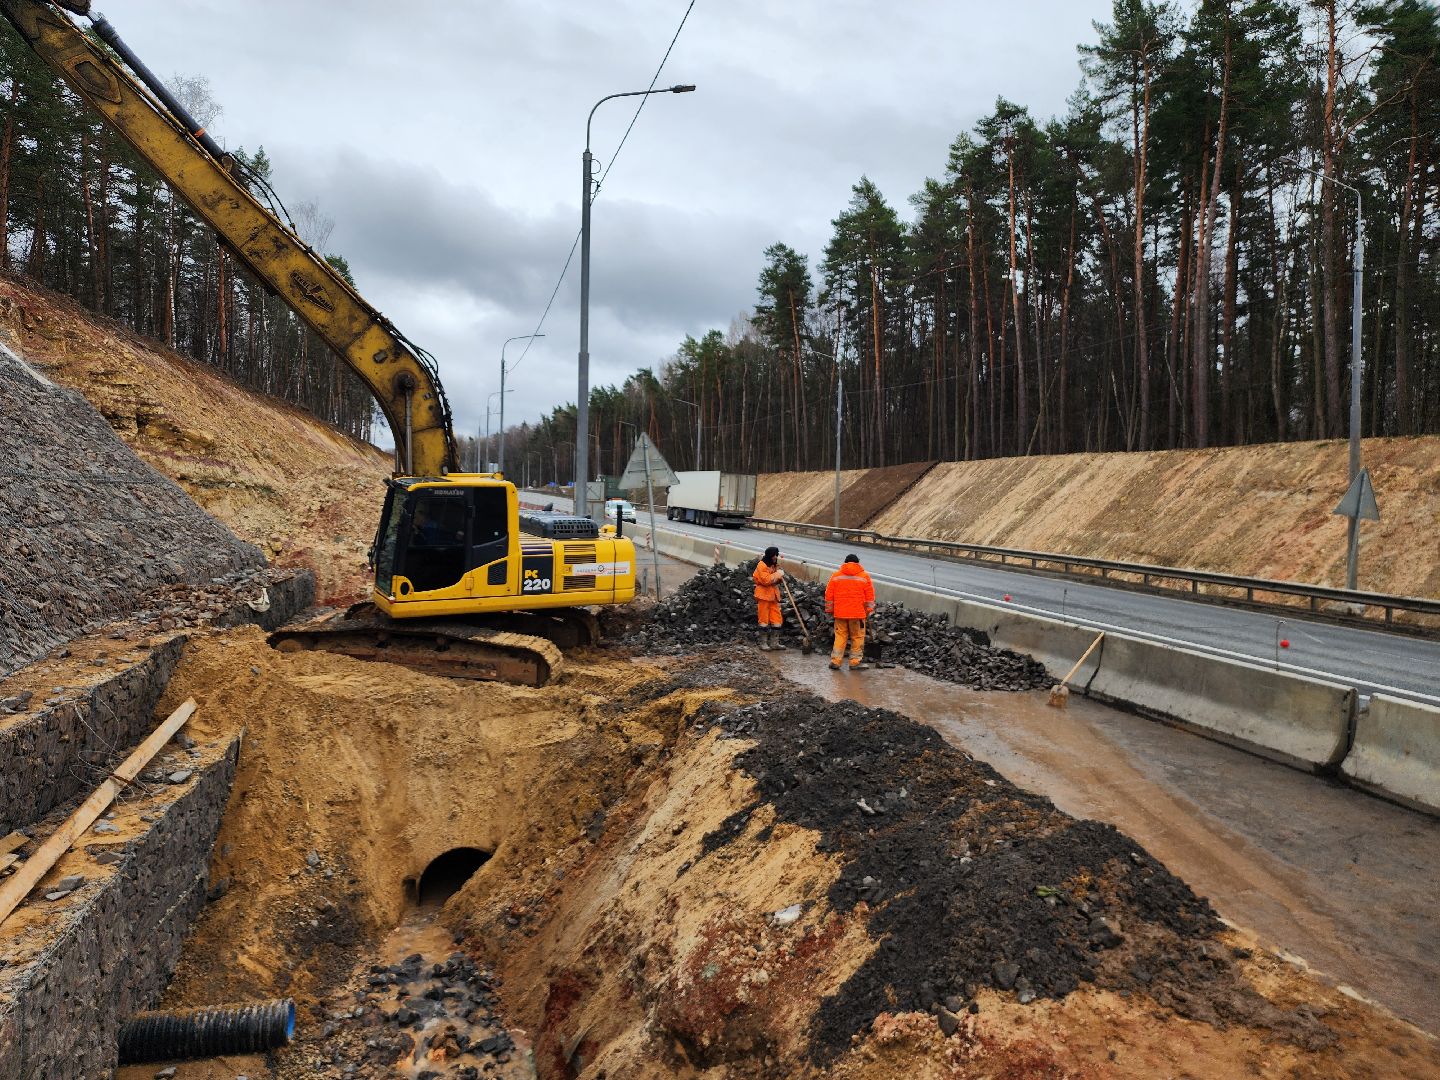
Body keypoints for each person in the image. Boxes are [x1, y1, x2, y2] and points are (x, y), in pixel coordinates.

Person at [825, 553, 875, 670]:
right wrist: (868, 611)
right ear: (857, 563)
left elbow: (829, 595)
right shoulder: (864, 576)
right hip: (857, 614)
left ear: (845, 563)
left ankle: (836, 661)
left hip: (840, 613)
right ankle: (854, 662)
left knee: (840, 636)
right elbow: (870, 596)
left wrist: (830, 610)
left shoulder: (836, 576)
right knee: (857, 637)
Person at [752, 546, 788, 652]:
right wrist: (778, 574)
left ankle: (774, 643)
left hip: (773, 596)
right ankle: (763, 643)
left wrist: (779, 577)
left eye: (776, 555)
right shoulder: (762, 565)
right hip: (764, 596)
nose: (775, 557)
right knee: (763, 620)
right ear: (769, 555)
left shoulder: (773, 565)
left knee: (777, 619)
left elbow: (774, 580)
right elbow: (766, 580)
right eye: (774, 555)